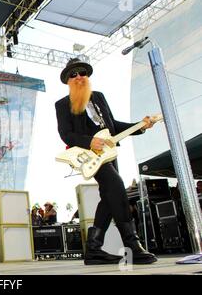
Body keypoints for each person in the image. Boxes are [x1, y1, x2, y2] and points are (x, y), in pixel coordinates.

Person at [55, 58, 157, 265]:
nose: (78, 77)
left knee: (110, 197)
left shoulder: (99, 97)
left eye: (82, 72)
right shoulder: (63, 104)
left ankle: (93, 249)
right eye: (73, 75)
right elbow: (65, 134)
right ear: (68, 80)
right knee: (117, 187)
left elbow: (112, 126)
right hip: (89, 155)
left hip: (110, 154)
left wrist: (140, 125)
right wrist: (89, 141)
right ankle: (132, 245)